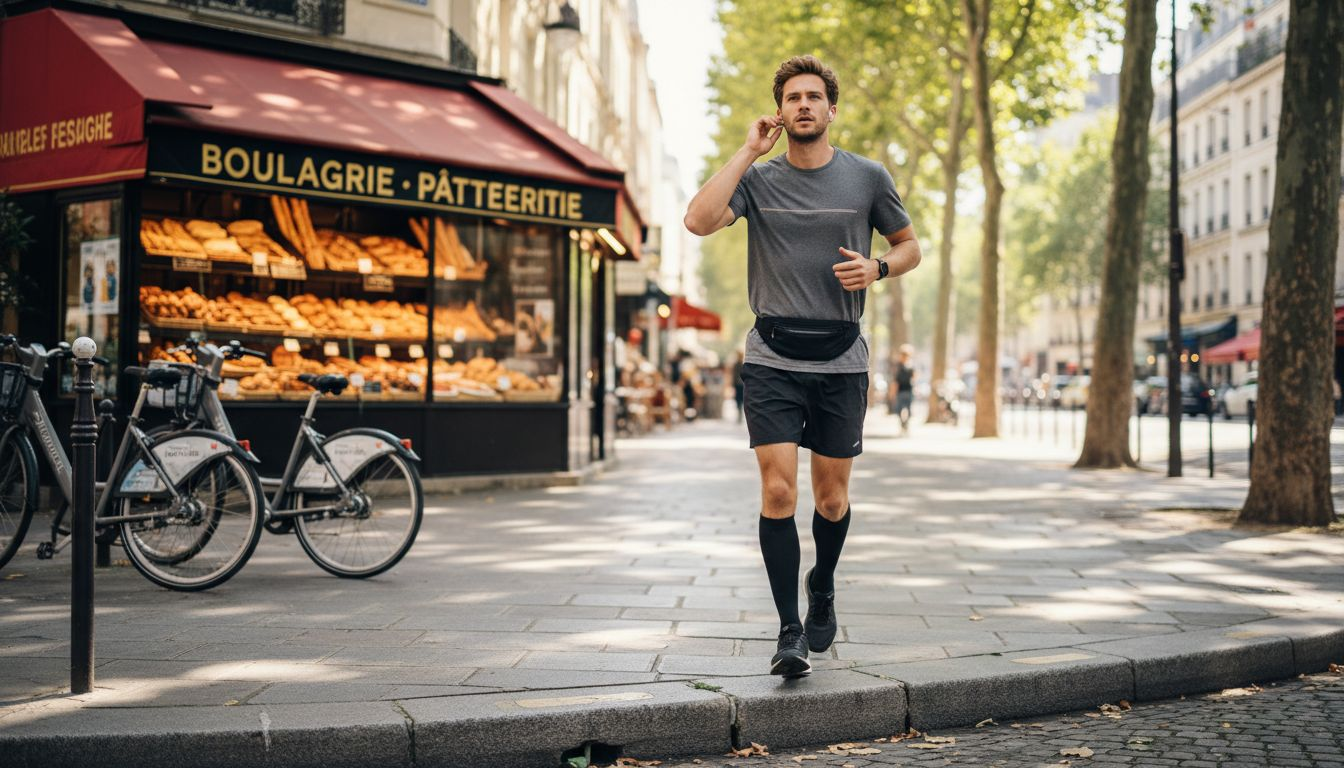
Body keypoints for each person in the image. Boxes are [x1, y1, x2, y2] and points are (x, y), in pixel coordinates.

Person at [683, 55, 922, 677]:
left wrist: (878, 268)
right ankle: (789, 630)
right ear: (780, 112)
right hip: (772, 358)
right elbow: (697, 221)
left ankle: (823, 584)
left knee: (833, 501)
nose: (804, 105)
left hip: (842, 359)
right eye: (793, 98)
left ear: (831, 110)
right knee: (779, 490)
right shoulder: (758, 181)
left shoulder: (867, 178)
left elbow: (909, 246)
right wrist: (746, 152)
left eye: (814, 96)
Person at [891, 345, 915, 434]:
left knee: (909, 410)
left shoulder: (911, 366)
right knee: (898, 410)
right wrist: (893, 392)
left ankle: (906, 424)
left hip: (909, 390)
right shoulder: (897, 366)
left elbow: (914, 377)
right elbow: (895, 381)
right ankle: (902, 424)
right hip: (900, 391)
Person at [731, 349, 746, 423]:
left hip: (739, 384)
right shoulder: (742, 364)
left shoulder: (739, 364)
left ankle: (740, 415)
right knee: (740, 399)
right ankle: (740, 414)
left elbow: (734, 375)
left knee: (739, 399)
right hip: (741, 384)